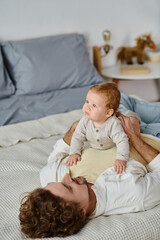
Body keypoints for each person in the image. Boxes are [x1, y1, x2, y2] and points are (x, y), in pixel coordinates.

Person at [19, 114, 160, 238]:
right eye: (68, 187)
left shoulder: (50, 179)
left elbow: (58, 154)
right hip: (153, 136)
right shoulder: (132, 194)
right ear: (81, 212)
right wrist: (133, 137)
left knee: (115, 97)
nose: (66, 178)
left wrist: (74, 130)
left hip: (120, 119)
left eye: (56, 183)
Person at [66, 82, 134, 174]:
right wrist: (74, 152)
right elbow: (77, 137)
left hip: (112, 146)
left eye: (94, 105)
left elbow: (122, 141)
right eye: (87, 102)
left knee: (134, 124)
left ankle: (132, 116)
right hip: (96, 148)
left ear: (108, 113)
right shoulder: (85, 121)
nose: (87, 107)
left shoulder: (113, 124)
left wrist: (121, 159)